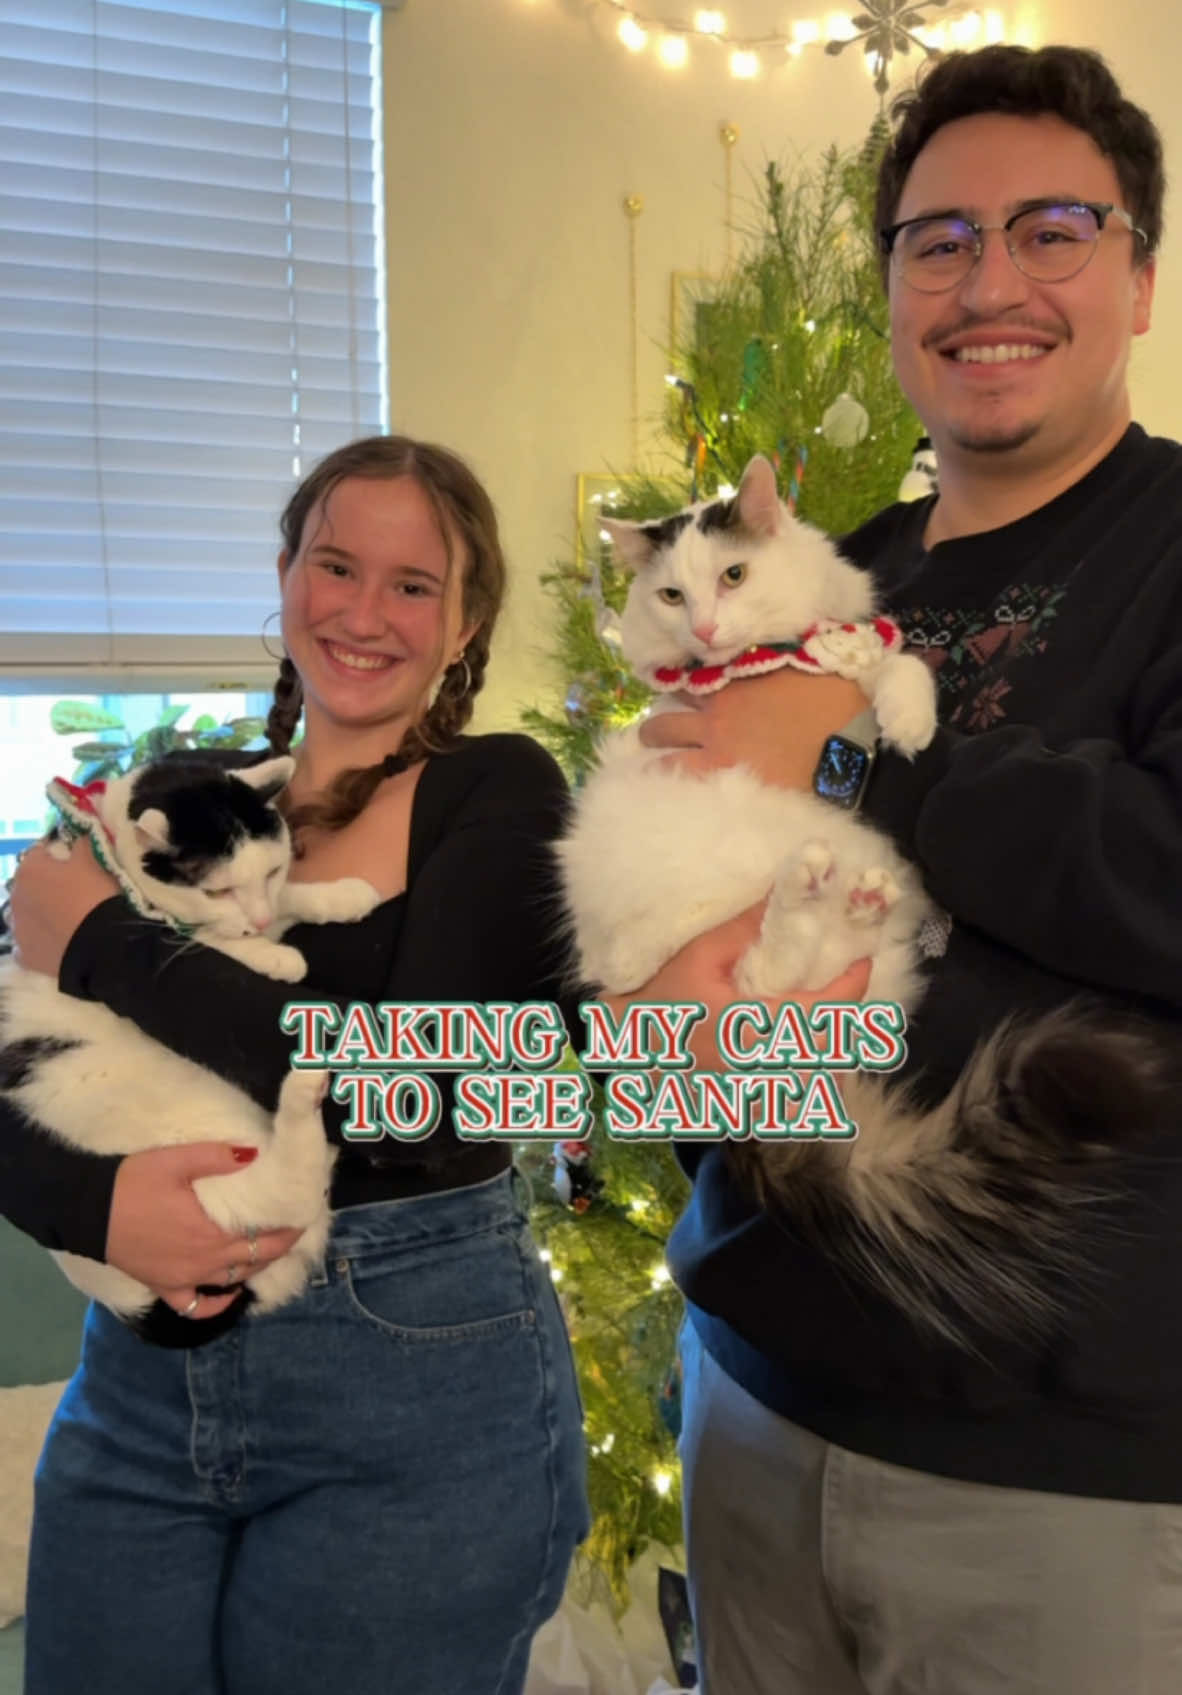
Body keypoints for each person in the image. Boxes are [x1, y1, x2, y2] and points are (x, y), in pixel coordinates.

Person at [634, 44, 1182, 1694]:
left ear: (1139, 278)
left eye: (1050, 229)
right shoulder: (831, 576)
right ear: (889, 288)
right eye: (937, 240)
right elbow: (685, 867)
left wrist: (865, 744)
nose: (986, 281)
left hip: (1056, 1471)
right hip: (752, 1393)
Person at [5, 436, 589, 1695]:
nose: (362, 612)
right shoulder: (193, 791)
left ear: (465, 620)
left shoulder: (501, 792)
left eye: (412, 585)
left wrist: (103, 940)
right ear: (284, 576)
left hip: (413, 1382)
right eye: (333, 564)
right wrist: (87, 1201)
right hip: (141, 1386)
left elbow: (403, 1090)